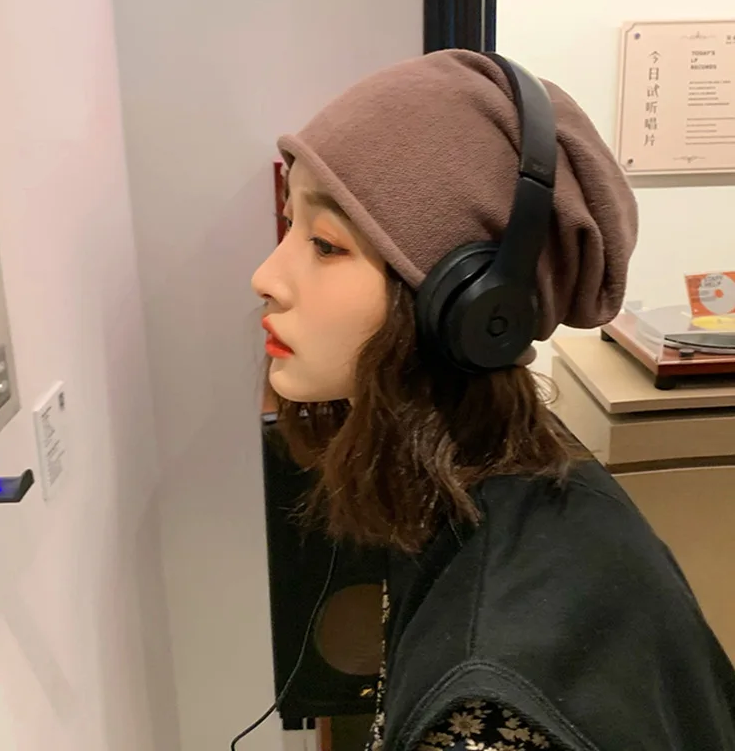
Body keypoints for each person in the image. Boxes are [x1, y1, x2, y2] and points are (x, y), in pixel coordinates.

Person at [250, 49, 735, 750]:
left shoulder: (487, 717)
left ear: (476, 303)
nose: (267, 275)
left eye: (325, 244)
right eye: (288, 225)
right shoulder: (519, 474)